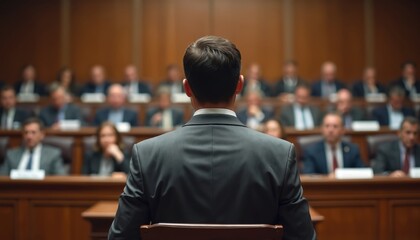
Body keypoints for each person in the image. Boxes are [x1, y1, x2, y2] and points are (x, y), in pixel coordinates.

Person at [109, 36, 315, 240]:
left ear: (187, 88)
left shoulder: (147, 154)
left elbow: (121, 237)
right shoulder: (279, 154)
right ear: (240, 85)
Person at [0, 118, 65, 175]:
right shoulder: (11, 155)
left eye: (33, 132)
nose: (29, 137)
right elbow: (2, 179)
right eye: (26, 132)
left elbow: (61, 179)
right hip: (16, 188)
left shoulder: (53, 155)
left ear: (42, 135)